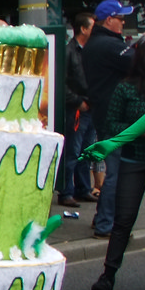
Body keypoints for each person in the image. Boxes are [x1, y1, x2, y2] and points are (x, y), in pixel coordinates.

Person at [82, 37, 145, 290]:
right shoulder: (126, 87)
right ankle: (108, 275)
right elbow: (111, 125)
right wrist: (137, 131)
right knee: (124, 219)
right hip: (134, 159)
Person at [81, 0, 136, 239]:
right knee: (118, 174)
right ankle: (106, 224)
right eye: (121, 19)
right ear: (109, 20)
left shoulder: (96, 44)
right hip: (115, 117)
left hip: (104, 115)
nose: (123, 23)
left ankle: (102, 219)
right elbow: (139, 63)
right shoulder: (109, 45)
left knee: (114, 171)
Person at [59, 11, 95, 207]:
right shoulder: (69, 52)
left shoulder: (90, 50)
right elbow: (61, 82)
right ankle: (66, 191)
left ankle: (83, 188)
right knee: (73, 150)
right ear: (83, 29)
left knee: (86, 149)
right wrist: (77, 101)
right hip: (77, 107)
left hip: (90, 105)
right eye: (92, 27)